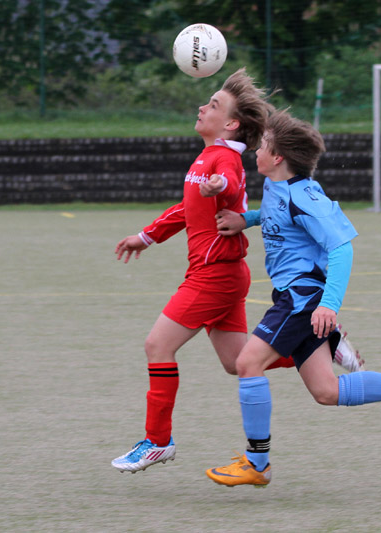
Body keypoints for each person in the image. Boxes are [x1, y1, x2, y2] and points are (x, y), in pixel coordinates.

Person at [205, 110, 381, 488]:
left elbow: (341, 249)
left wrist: (328, 306)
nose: (256, 150)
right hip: (295, 296)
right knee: (326, 391)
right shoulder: (275, 184)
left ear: (278, 158)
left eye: (264, 145)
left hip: (301, 298)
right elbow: (275, 214)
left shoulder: (306, 198)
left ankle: (257, 462)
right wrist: (248, 219)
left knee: (247, 363)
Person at [110, 68, 273, 474]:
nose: (203, 107)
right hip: (224, 273)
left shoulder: (224, 158)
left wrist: (220, 187)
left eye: (213, 105)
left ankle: (157, 441)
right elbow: (188, 208)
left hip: (213, 275)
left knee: (157, 346)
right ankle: (316, 345)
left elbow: (229, 182)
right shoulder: (206, 156)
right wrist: (146, 237)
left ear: (230, 124)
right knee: (238, 363)